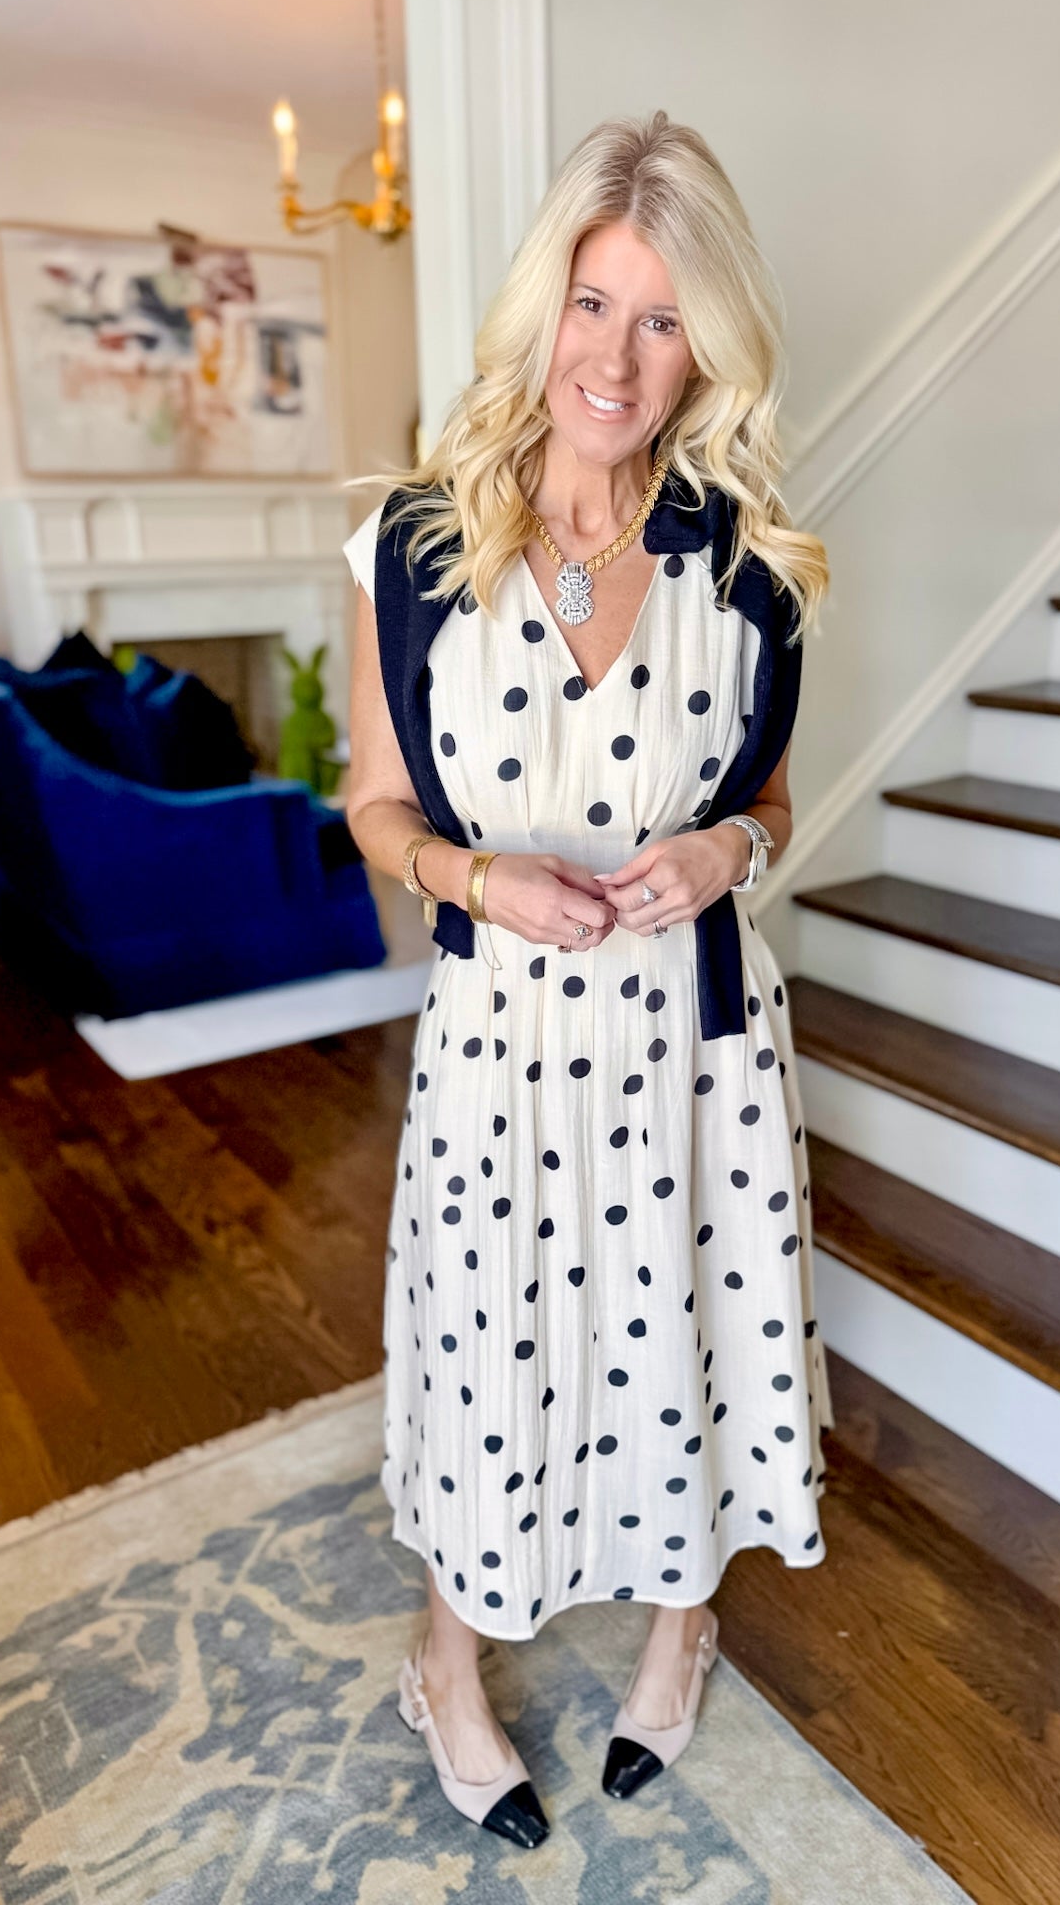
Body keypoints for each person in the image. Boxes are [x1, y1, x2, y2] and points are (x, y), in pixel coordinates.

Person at [341, 108, 834, 1850]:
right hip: (500, 1046)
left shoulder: (752, 562)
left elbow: (774, 804)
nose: (615, 359)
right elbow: (374, 804)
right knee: (493, 1366)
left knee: (687, 1337)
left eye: (665, 318)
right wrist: (478, 876)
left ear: (710, 346)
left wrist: (727, 854)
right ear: (541, 303)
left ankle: (683, 1629)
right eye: (593, 301)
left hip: (697, 1050)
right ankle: (448, 1661)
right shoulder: (415, 545)